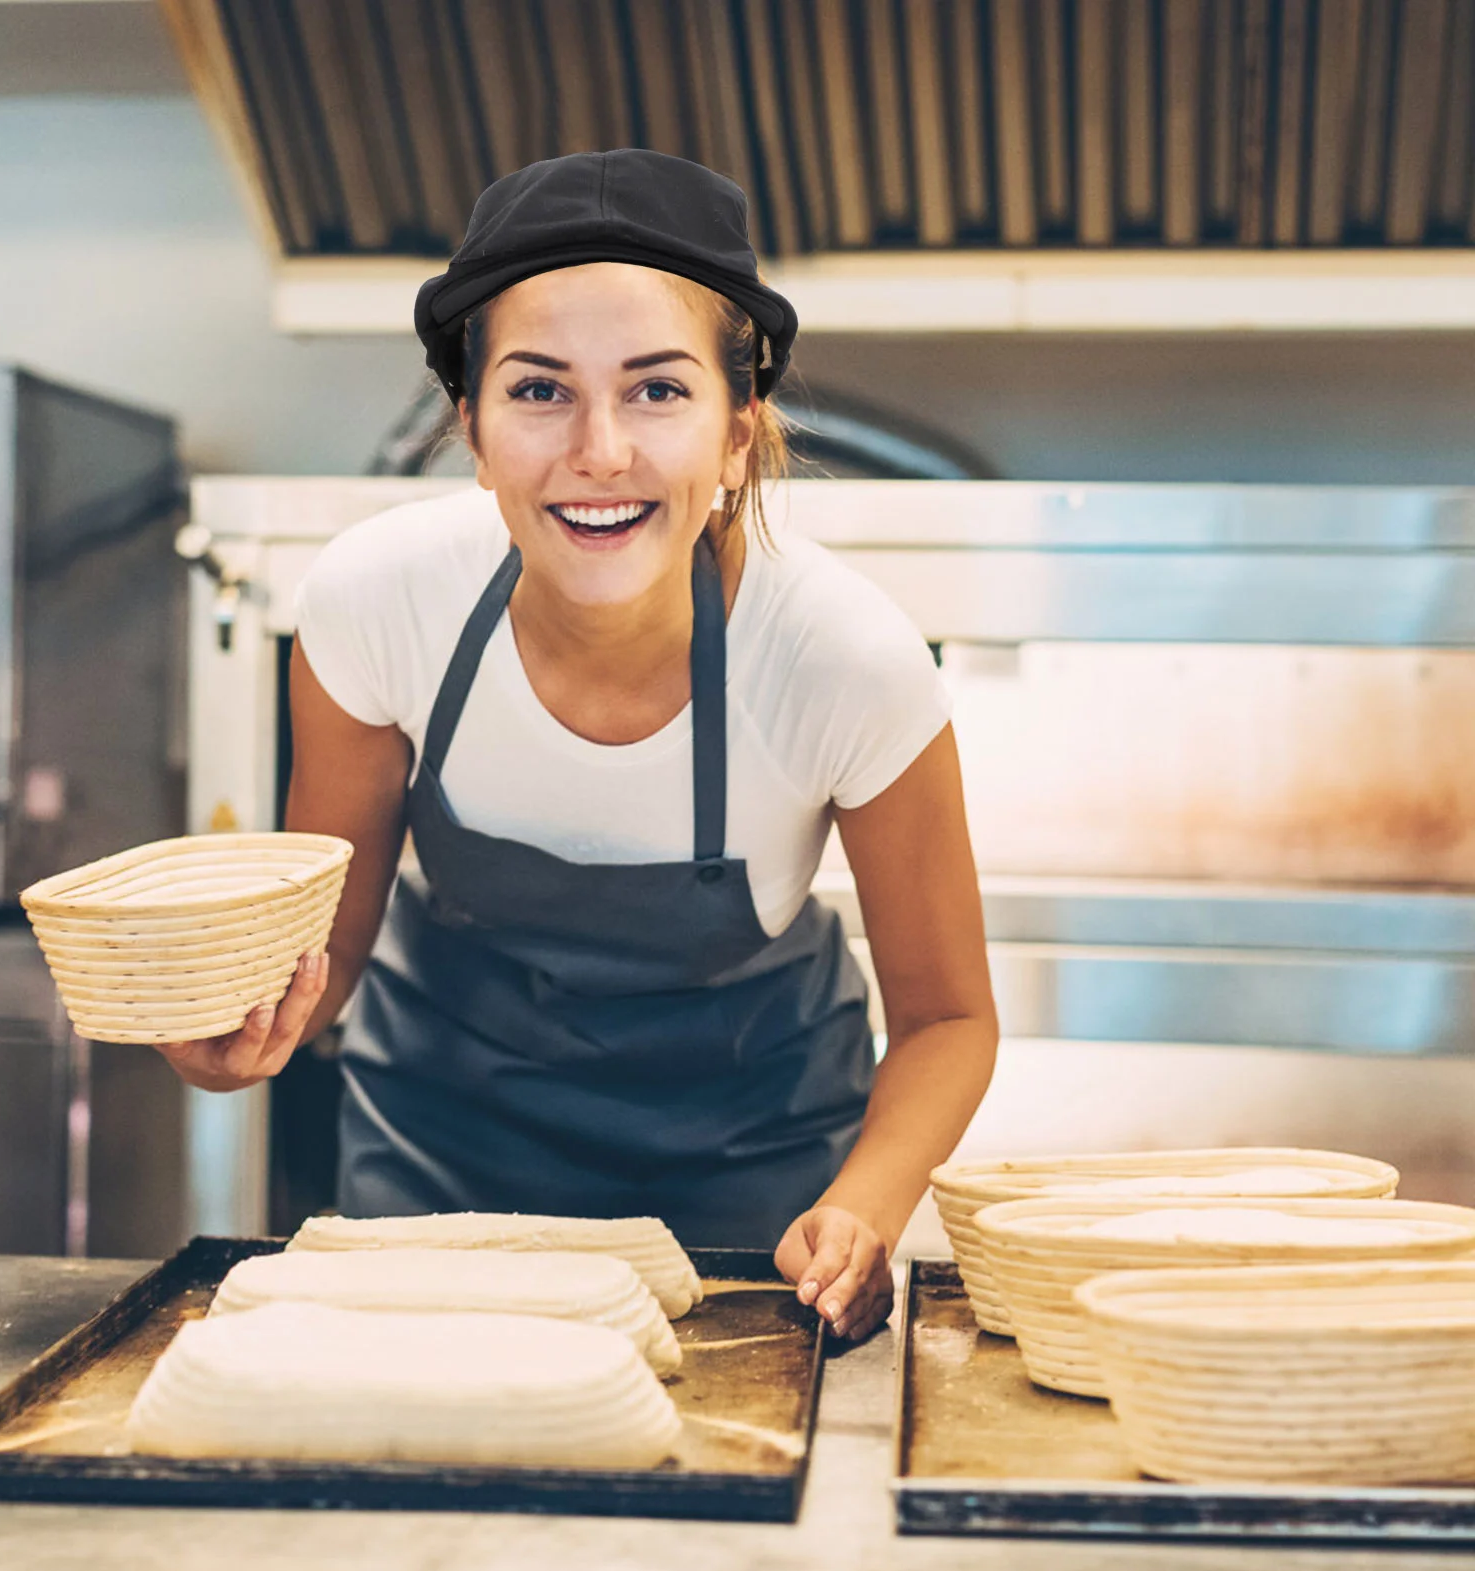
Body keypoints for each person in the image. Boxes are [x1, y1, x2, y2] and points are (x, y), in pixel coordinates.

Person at [157, 149, 997, 1343]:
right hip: (441, 1157)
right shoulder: (376, 604)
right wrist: (240, 1039)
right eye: (539, 390)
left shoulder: (841, 659)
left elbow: (949, 1017)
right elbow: (325, 948)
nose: (598, 449)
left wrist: (862, 1208)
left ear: (738, 431)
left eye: (658, 390)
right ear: (471, 424)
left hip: (755, 1176)